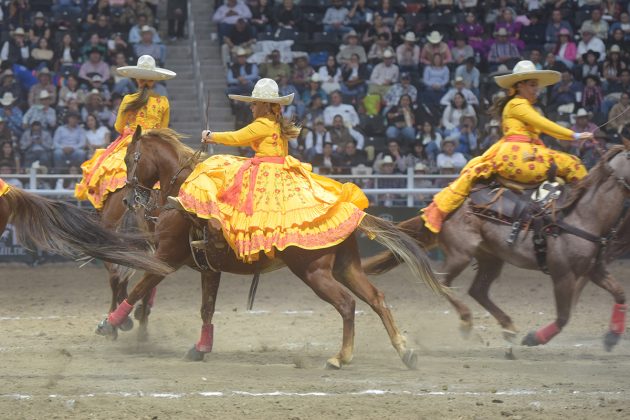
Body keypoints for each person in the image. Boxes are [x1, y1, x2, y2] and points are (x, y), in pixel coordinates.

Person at [172, 78, 368, 263]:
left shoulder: (263, 124)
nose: (251, 107)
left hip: (266, 171)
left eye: (254, 103)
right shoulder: (276, 123)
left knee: (215, 167)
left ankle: (220, 236)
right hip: (279, 168)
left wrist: (211, 135)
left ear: (265, 105)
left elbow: (237, 137)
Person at [422, 60, 592, 233]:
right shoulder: (518, 104)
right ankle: (587, 213)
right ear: (520, 86)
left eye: (536, 85)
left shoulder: (519, 104)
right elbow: (544, 124)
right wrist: (574, 135)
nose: (536, 89)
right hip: (518, 155)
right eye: (532, 85)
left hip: (516, 153)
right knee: (573, 163)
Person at [75, 55, 175, 209]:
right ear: (154, 81)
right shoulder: (163, 101)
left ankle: (104, 208)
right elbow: (164, 130)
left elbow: (118, 127)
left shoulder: (129, 99)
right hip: (155, 142)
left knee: (104, 167)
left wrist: (131, 130)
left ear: (136, 80)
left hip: (132, 140)